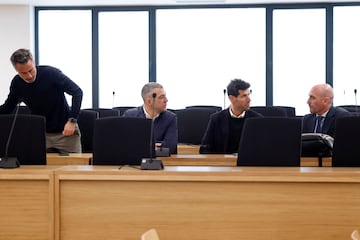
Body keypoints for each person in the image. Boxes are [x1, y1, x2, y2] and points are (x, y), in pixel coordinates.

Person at [0, 48, 83, 153]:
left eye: (31, 70)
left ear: (34, 63)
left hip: (66, 133)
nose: (29, 76)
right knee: (37, 167)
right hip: (40, 134)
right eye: (23, 73)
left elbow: (77, 92)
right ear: (16, 70)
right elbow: (8, 108)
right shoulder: (17, 83)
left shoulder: (52, 74)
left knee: (73, 167)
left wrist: (72, 120)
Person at [200, 78, 263, 154]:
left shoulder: (257, 119)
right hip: (223, 163)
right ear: (232, 98)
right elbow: (204, 149)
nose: (249, 99)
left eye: (249, 94)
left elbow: (262, 149)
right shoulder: (216, 119)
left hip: (248, 164)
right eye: (244, 96)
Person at [123, 82, 178, 154]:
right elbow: (124, 144)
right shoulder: (130, 116)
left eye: (165, 96)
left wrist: (141, 146)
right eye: (161, 97)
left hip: (161, 161)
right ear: (149, 101)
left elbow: (170, 147)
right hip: (133, 160)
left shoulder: (170, 118)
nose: (166, 100)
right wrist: (157, 145)